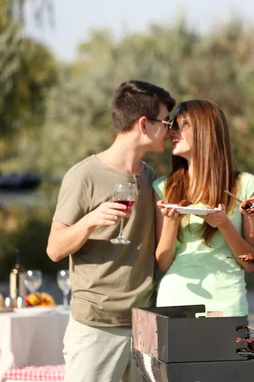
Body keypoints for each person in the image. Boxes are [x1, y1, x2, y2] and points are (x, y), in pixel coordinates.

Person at [46, 80, 175, 382]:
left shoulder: (151, 179)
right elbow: (54, 249)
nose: (169, 130)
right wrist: (90, 220)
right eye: (166, 122)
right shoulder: (84, 175)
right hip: (95, 328)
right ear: (144, 124)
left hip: (143, 328)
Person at [153, 99, 254, 316]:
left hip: (227, 305)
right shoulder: (164, 187)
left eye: (181, 125)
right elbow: (163, 263)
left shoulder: (246, 186)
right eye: (172, 125)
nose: (172, 132)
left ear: (206, 130)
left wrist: (224, 224)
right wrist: (171, 222)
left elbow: (252, 264)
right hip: (175, 300)